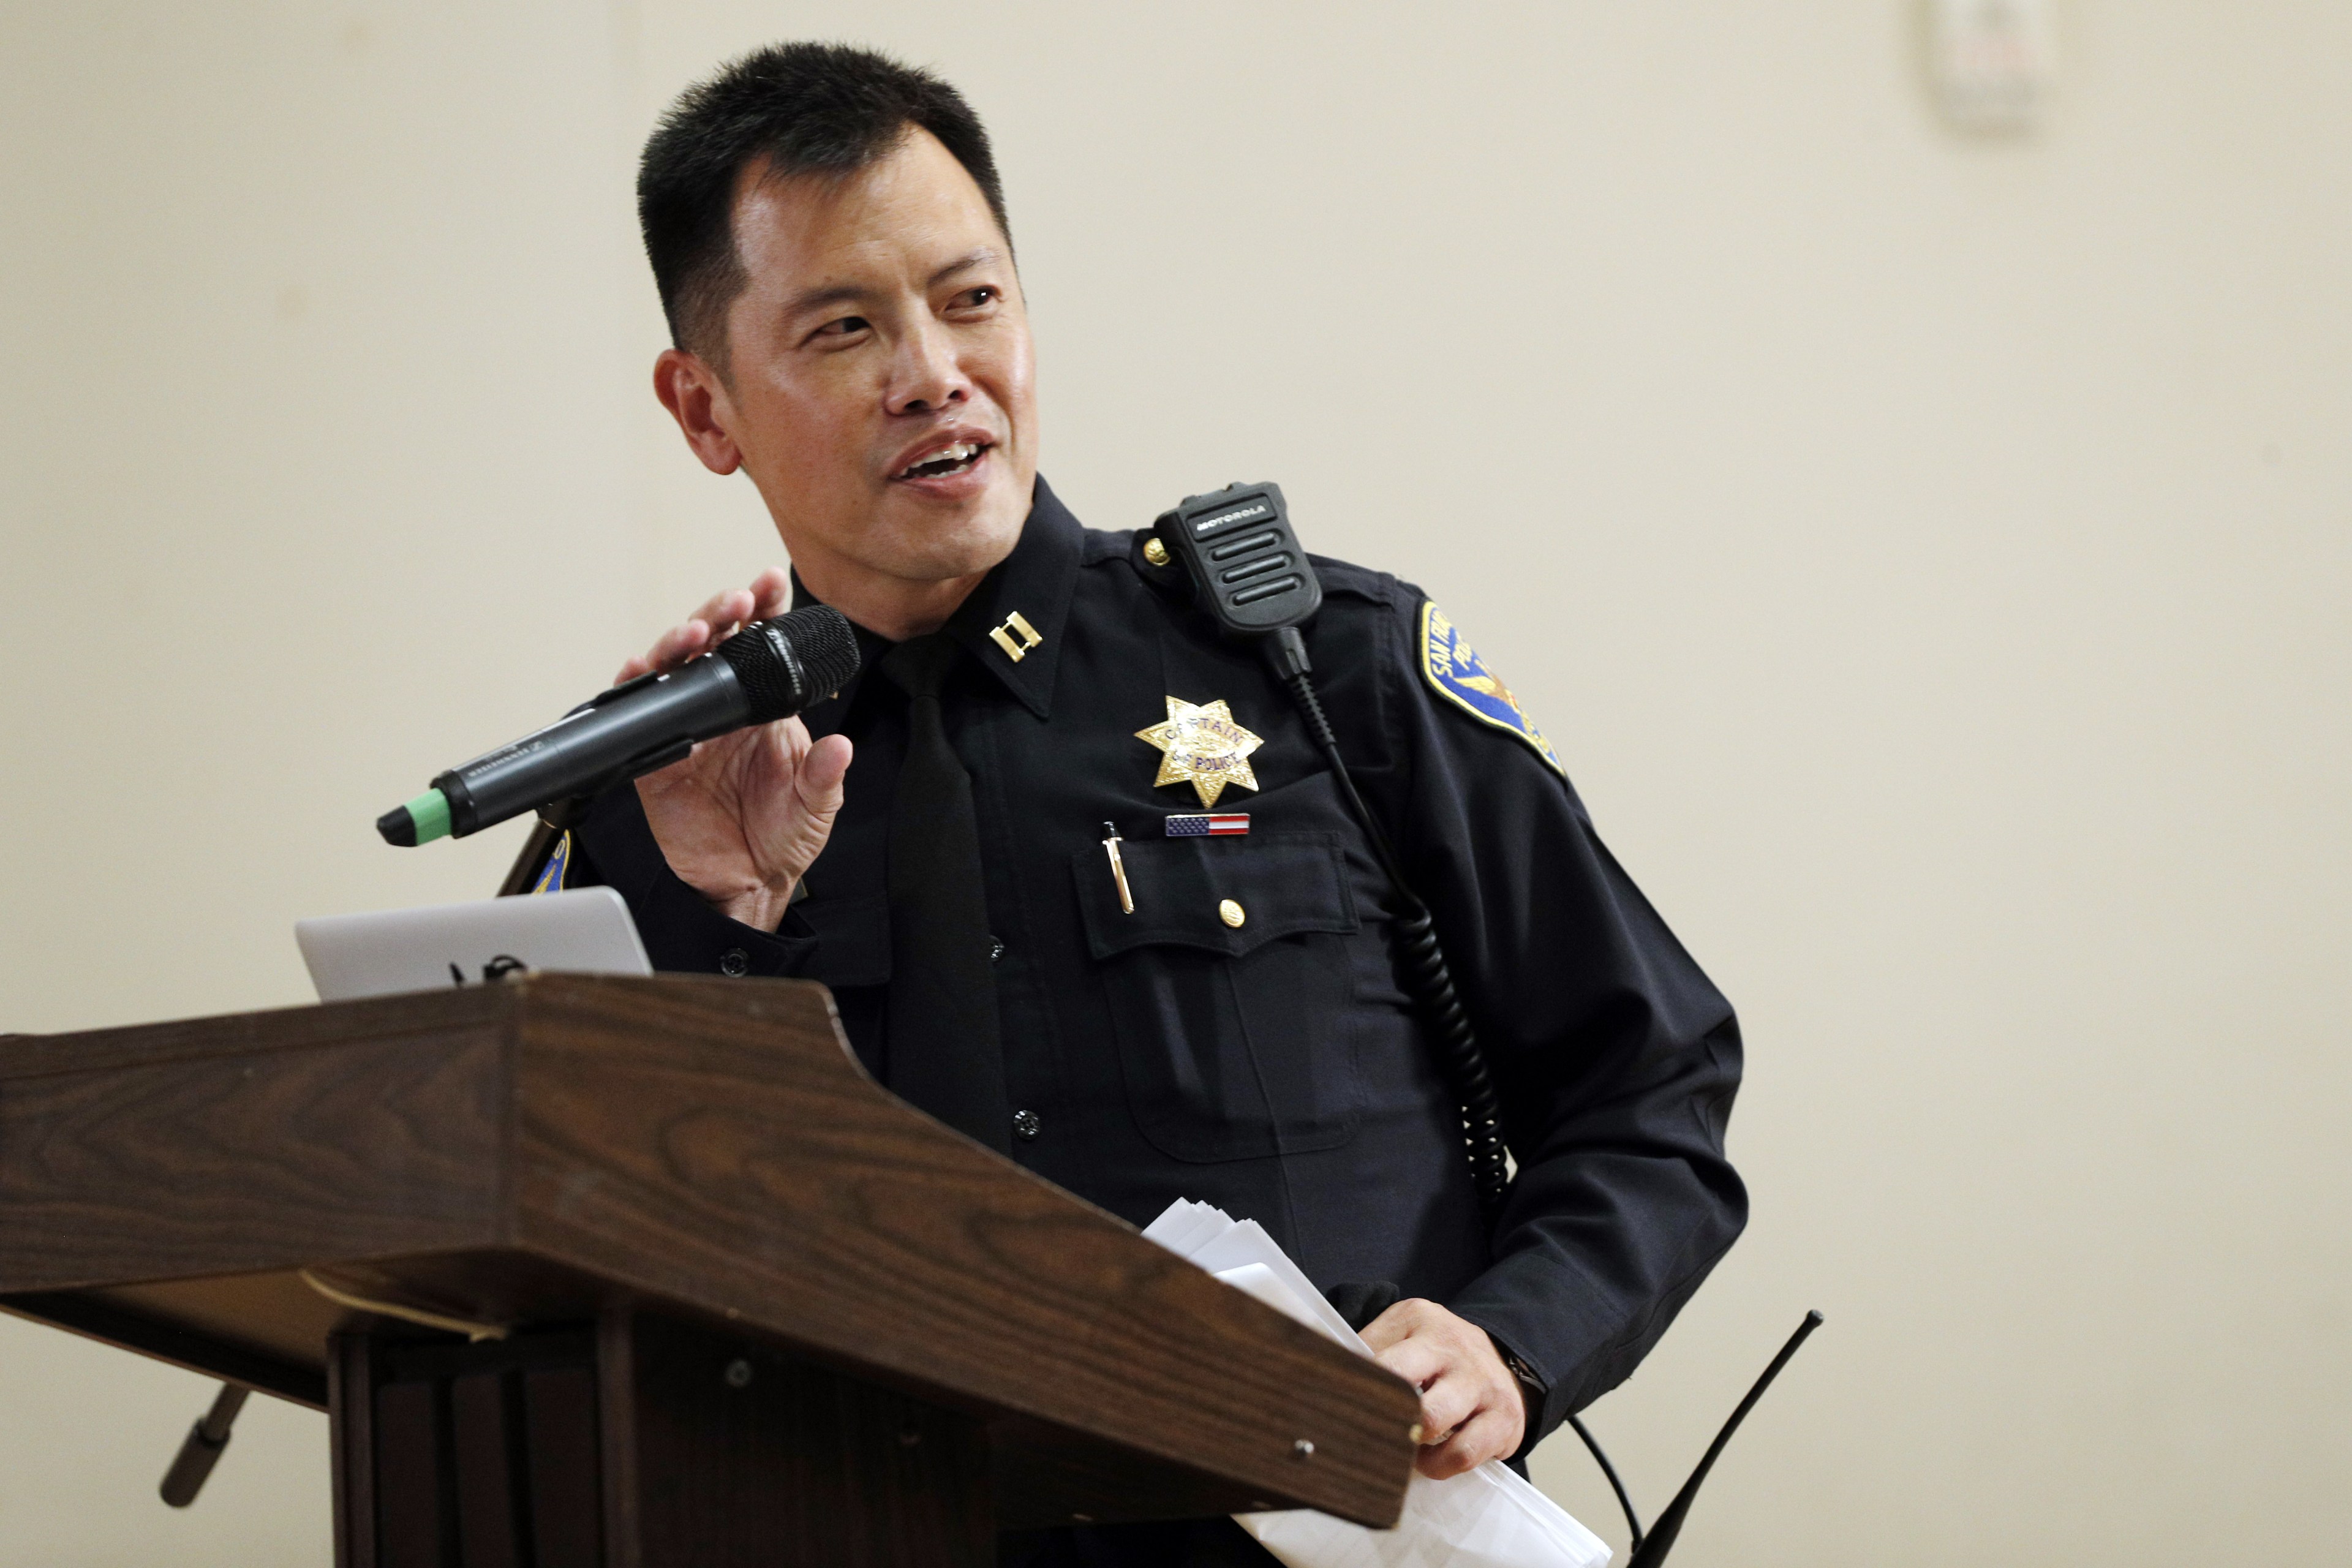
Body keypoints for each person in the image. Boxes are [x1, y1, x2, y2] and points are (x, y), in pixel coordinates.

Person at [560, 42, 1746, 1567]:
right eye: (847, 327)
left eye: (971, 298)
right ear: (704, 407)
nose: (935, 370)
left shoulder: (1325, 671)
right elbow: (615, 1254)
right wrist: (723, 920)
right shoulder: (658, 803)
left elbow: (1651, 1090)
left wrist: (1506, 1341)